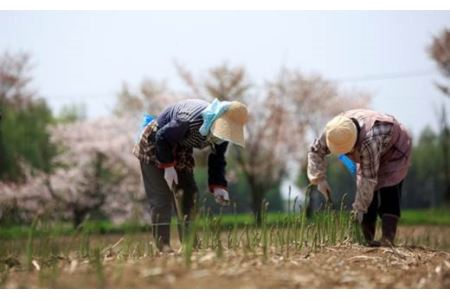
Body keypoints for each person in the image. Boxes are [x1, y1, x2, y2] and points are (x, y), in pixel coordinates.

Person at [133, 99, 248, 252]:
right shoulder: (188, 120)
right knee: (161, 199)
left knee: (189, 195)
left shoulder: (223, 136)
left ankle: (190, 246)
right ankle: (163, 247)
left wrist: (219, 185)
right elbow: (162, 137)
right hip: (155, 143)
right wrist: (168, 166)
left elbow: (217, 158)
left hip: (181, 148)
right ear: (216, 118)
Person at [307, 109, 412, 246]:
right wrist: (319, 179)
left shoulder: (370, 141)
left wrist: (358, 211)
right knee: (370, 196)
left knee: (388, 190)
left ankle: (388, 238)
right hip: (367, 149)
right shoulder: (334, 131)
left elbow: (368, 181)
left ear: (354, 144)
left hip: (394, 149)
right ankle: (366, 239)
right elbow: (315, 151)